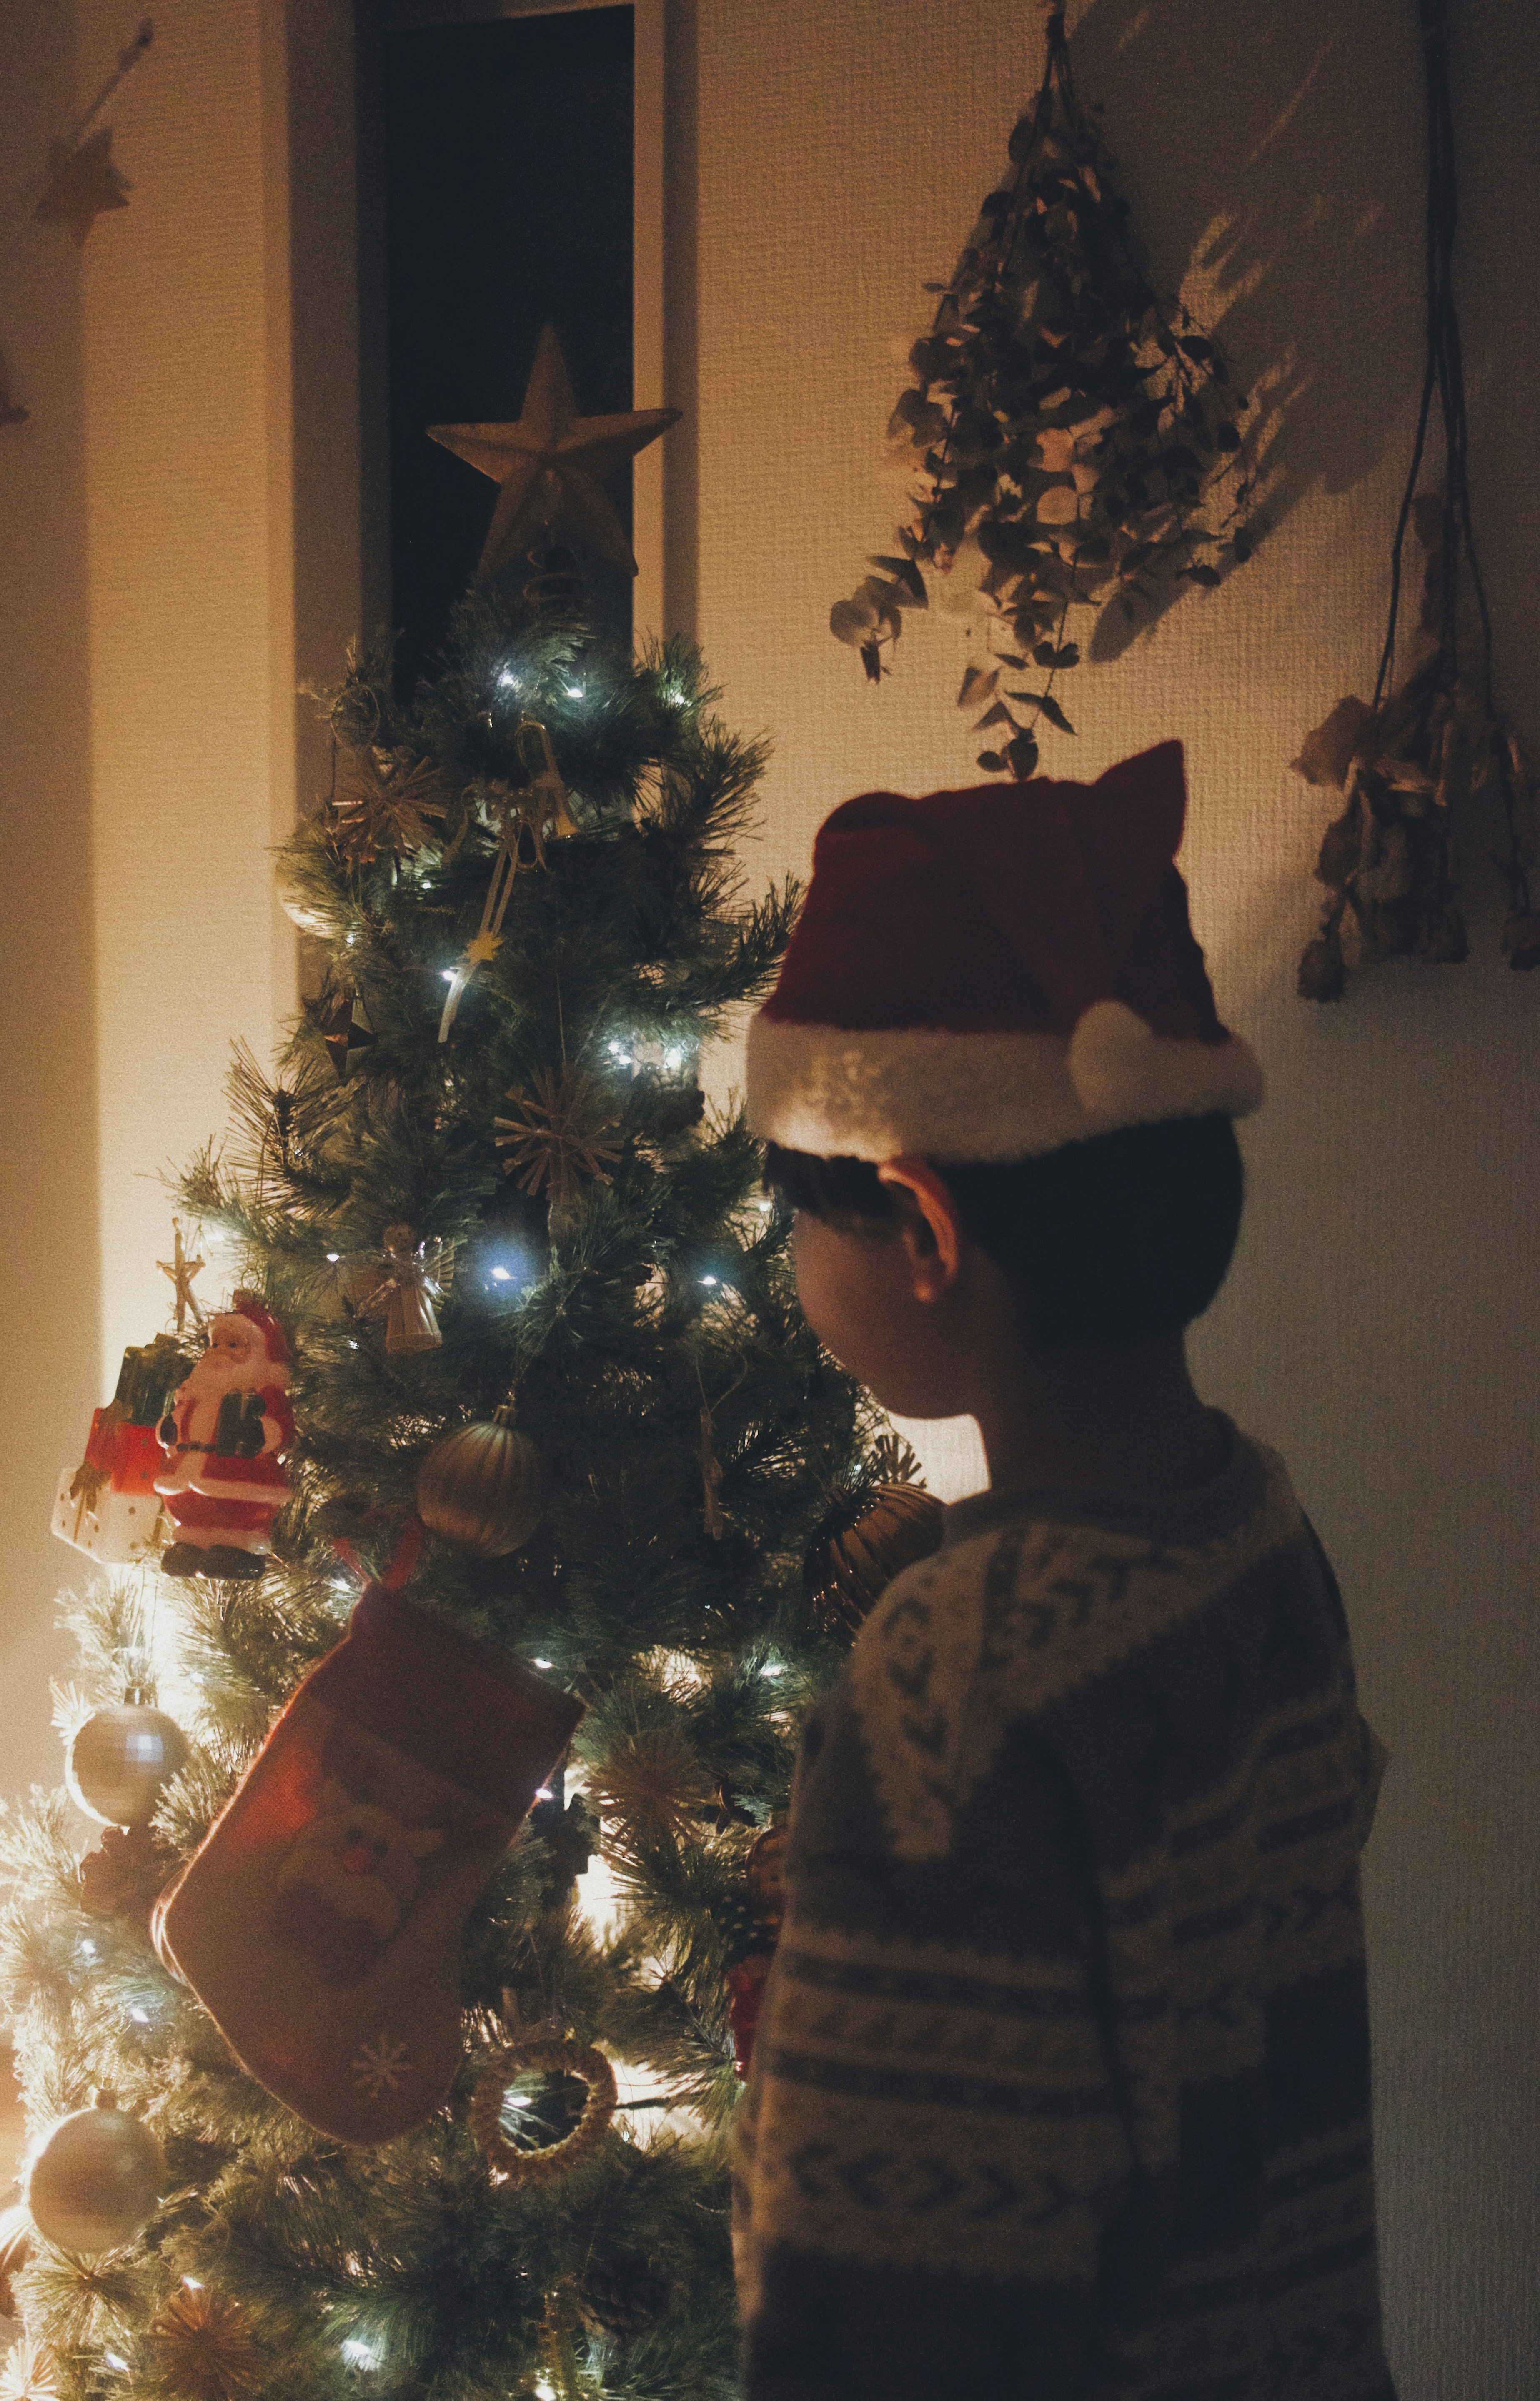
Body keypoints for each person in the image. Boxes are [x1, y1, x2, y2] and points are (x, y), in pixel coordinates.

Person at [734, 741, 1395, 2400]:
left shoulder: (954, 1677)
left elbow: (881, 2328)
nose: (795, 1269)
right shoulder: (1254, 1526)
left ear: (925, 1228)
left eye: (799, 1220)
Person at [154, 1292, 295, 1579]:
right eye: (216, 1344)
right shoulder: (194, 1392)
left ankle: (239, 1551)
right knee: (187, 1507)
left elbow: (280, 1429)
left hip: (239, 1470)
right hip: (188, 1466)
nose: (219, 1352)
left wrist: (257, 1432)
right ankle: (189, 1545)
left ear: (259, 1353)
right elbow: (177, 1422)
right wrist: (168, 1429)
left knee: (240, 1513)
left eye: (233, 1345)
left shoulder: (264, 1393)